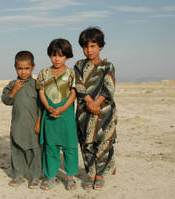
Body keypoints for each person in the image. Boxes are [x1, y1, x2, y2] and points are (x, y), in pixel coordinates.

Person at [74, 27, 117, 190]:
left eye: (93, 46)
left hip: (104, 112)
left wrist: (97, 103)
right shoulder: (79, 65)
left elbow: (109, 87)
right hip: (85, 112)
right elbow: (78, 85)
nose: (89, 50)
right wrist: (89, 102)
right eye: (85, 47)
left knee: (104, 143)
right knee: (87, 144)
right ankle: (90, 174)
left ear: (100, 46)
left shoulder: (108, 66)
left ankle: (100, 176)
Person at [36, 38, 78, 191]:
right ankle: (50, 177)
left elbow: (74, 93)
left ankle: (70, 177)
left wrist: (62, 108)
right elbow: (41, 91)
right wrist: (48, 107)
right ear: (49, 55)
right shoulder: (43, 73)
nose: (57, 59)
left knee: (70, 147)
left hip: (66, 116)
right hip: (49, 115)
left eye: (61, 55)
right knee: (50, 148)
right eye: (54, 55)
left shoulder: (71, 73)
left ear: (67, 56)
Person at [1, 51, 42, 189]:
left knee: (34, 151)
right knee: (17, 149)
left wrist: (39, 122)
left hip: (33, 125)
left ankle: (35, 176)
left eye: (27, 68)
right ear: (15, 68)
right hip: (17, 125)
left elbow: (41, 105)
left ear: (33, 67)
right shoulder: (12, 84)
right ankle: (18, 175)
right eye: (20, 68)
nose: (23, 72)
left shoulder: (37, 85)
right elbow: (6, 100)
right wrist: (14, 90)